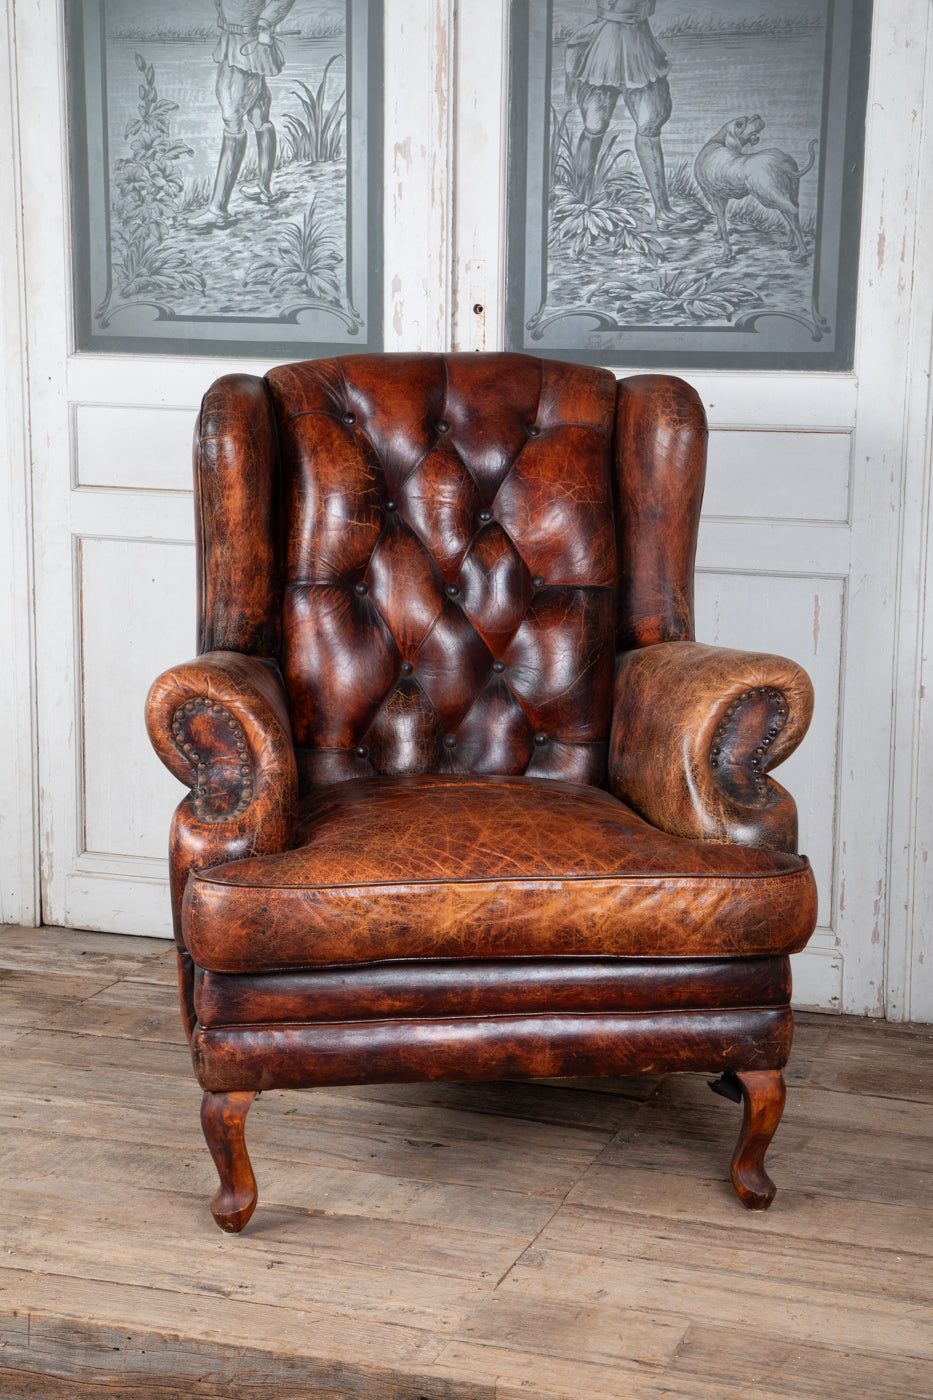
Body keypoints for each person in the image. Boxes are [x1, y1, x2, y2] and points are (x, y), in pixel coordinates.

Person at [565, 0, 676, 227]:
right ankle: (580, 203)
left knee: (650, 125)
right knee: (594, 125)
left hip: (638, 45)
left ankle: (662, 209)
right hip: (604, 47)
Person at [189, 0, 296, 231]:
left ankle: (218, 210)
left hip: (248, 44)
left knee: (232, 119)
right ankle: (264, 188)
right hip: (235, 40)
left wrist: (266, 24)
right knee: (259, 114)